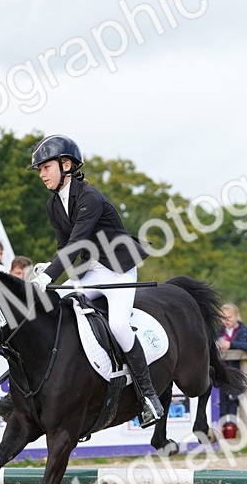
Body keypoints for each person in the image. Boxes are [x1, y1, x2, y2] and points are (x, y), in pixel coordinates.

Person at [27, 133, 162, 427]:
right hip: (91, 271)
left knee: (118, 326)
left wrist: (49, 275)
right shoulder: (53, 205)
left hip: (118, 270)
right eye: (39, 170)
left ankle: (148, 396)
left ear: (66, 165)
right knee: (55, 308)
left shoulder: (90, 197)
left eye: (45, 167)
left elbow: (76, 244)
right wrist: (45, 269)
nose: (41, 174)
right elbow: (65, 248)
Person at [215, 303, 247, 421]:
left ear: (237, 316)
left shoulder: (245, 332)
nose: (226, 321)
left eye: (229, 318)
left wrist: (231, 345)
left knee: (235, 403)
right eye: (223, 318)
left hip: (238, 373)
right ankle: (224, 430)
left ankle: (235, 428)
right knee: (222, 403)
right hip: (222, 373)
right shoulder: (217, 333)